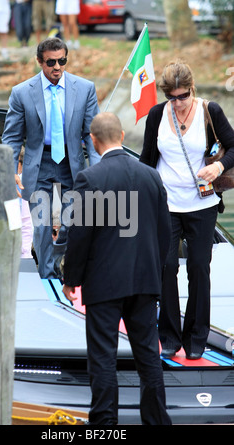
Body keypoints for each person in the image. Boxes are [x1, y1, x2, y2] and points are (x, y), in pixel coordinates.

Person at [62, 112, 172, 425]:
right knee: (148, 356)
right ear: (122, 136)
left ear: (94, 143)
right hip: (145, 281)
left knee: (103, 357)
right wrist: (156, 271)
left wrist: (72, 278)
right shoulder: (152, 176)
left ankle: (105, 425)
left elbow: (80, 235)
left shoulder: (90, 179)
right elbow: (165, 232)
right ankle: (157, 421)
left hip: (105, 283)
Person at [140, 60, 234, 360]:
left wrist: (219, 165)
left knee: (198, 268)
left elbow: (233, 147)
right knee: (166, 268)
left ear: (192, 89)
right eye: (172, 97)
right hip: (166, 203)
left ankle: (196, 336)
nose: (178, 103)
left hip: (202, 204)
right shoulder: (156, 115)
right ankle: (168, 334)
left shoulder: (210, 111)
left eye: (183, 96)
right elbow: (146, 160)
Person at [2, 37, 100, 279]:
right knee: (42, 224)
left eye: (62, 61)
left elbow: (91, 135)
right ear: (39, 62)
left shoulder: (85, 88)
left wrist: (98, 169)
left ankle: (61, 267)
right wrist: (10, 171)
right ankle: (46, 276)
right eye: (51, 62)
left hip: (72, 162)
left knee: (71, 222)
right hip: (39, 163)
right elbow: (12, 137)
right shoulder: (22, 93)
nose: (57, 67)